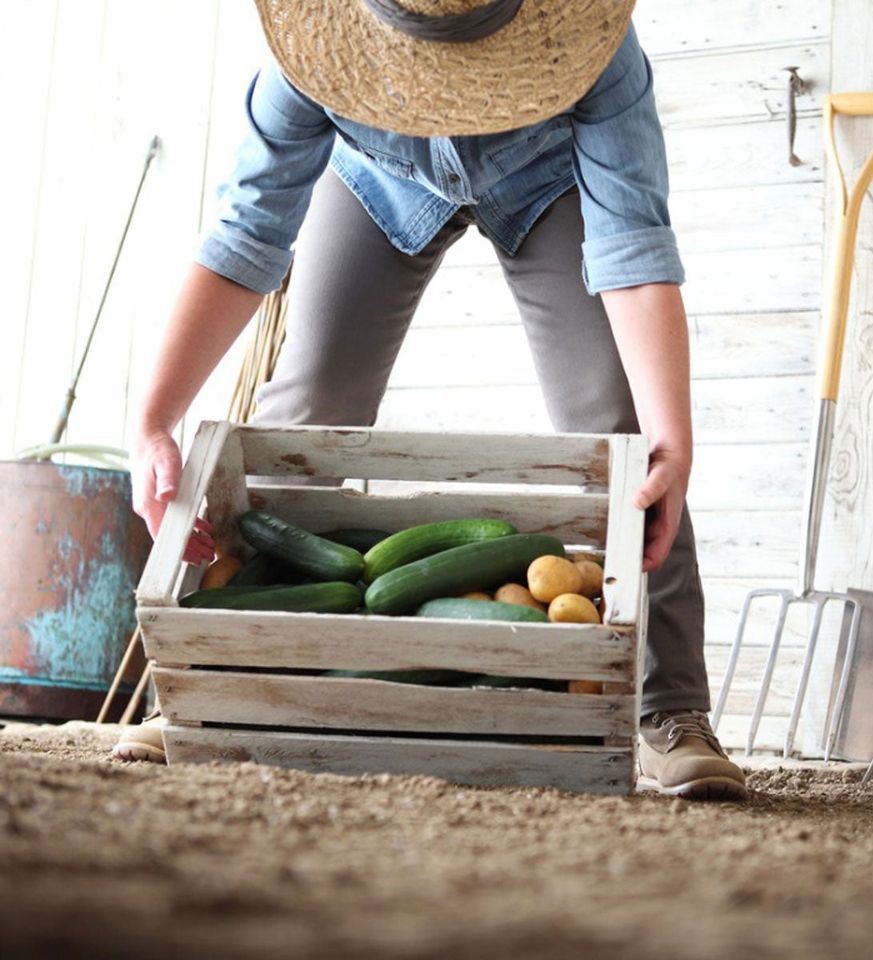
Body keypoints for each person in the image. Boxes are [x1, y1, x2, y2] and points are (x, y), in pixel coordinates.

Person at [113, 0, 747, 801]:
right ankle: (232, 689)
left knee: (620, 427)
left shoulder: (596, 49)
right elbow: (246, 236)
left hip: (546, 177)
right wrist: (152, 420)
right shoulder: (308, 56)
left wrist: (673, 438)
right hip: (377, 178)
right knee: (309, 406)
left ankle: (672, 710)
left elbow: (633, 249)